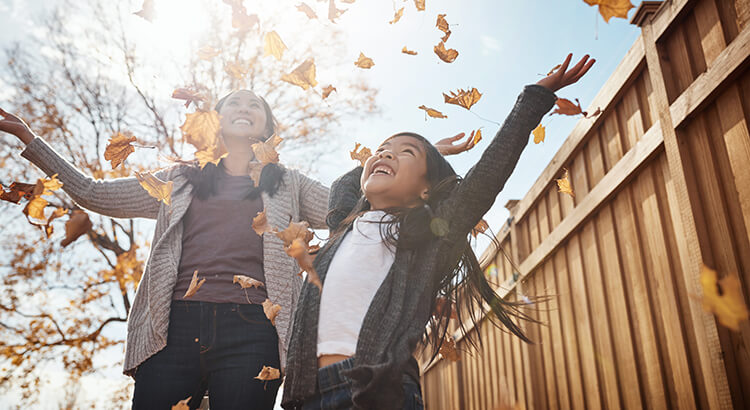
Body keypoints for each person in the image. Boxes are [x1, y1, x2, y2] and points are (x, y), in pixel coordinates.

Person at [0, 89, 476, 409]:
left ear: (266, 124)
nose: (244, 107)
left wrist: (420, 159)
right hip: (172, 329)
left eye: (255, 104)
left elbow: (352, 207)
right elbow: (93, 194)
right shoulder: (179, 178)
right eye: (233, 103)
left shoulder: (286, 183)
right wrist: (30, 140)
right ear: (216, 121)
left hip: (254, 333)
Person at [281, 53, 595, 409]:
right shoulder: (344, 223)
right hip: (305, 394)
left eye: (405, 153)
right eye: (382, 150)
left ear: (426, 190)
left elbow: (486, 176)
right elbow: (345, 182)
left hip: (377, 389)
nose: (385, 154)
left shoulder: (424, 237)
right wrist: (423, 152)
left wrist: (533, 99)